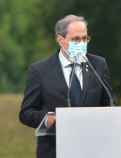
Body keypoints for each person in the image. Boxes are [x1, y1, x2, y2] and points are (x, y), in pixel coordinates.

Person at [19, 14, 113, 158]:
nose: (81, 43)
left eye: (85, 38)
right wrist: (47, 119)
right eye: (76, 39)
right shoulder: (40, 71)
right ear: (61, 40)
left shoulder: (98, 65)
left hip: (93, 150)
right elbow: (26, 113)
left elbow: (109, 104)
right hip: (54, 150)